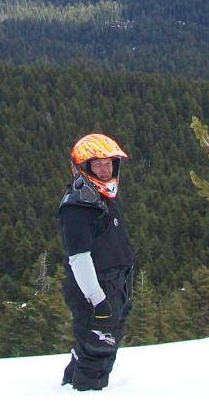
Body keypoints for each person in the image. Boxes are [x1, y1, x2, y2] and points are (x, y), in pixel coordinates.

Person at [58, 133, 135, 391]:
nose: (105, 169)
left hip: (115, 284)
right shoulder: (78, 206)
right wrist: (97, 298)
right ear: (84, 167)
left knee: (98, 342)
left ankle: (69, 384)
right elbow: (79, 257)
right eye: (97, 164)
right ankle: (87, 400)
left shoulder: (102, 199)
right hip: (96, 287)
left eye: (109, 163)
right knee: (98, 346)